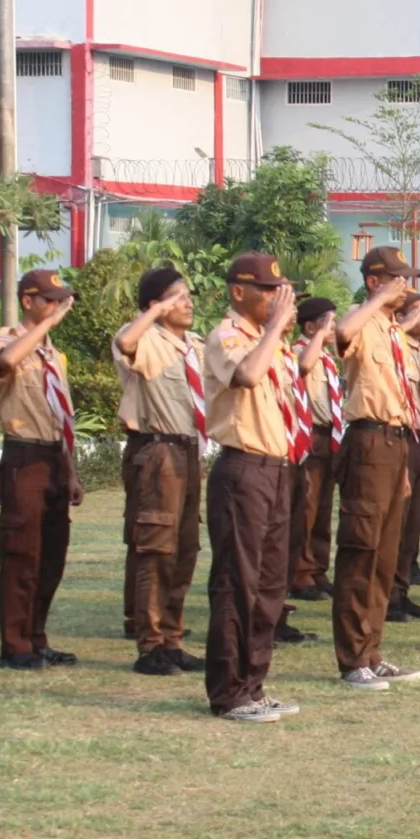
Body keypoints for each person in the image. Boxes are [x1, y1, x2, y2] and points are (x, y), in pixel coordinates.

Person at [199, 253, 307, 722]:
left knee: (269, 585)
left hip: (275, 468)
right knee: (236, 582)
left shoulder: (273, 344)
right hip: (242, 467)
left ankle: (254, 684)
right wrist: (274, 329)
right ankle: (229, 692)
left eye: (281, 292)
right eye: (267, 291)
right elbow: (245, 376)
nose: (277, 300)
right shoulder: (228, 336)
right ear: (238, 292)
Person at [330, 245, 420, 692]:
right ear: (373, 281)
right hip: (367, 439)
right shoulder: (362, 319)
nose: (406, 286)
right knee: (361, 551)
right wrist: (373, 301)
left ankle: (372, 650)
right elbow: (340, 337)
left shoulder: (391, 330)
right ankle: (352, 658)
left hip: (395, 441)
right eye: (397, 279)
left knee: (385, 555)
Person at [0, 268, 82, 671]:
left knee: (51, 556)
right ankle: (15, 645)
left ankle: (36, 637)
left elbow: (62, 416)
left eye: (61, 301)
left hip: (54, 458)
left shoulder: (53, 356)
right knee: (21, 554)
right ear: (28, 301)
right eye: (49, 300)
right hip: (23, 456)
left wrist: (71, 471)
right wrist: (47, 325)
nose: (56, 307)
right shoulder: (6, 340)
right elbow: (7, 362)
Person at [111, 266, 204, 677]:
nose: (188, 303)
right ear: (155, 304)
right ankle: (149, 645)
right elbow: (125, 341)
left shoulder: (194, 346)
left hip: (188, 452)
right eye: (177, 297)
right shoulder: (146, 338)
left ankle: (172, 639)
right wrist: (154, 311)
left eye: (187, 296)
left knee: (184, 551)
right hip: (157, 451)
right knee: (156, 550)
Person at [385, 294, 420, 624]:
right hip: (398, 439)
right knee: (396, 523)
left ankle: (402, 592)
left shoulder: (418, 353)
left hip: (419, 441)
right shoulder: (394, 347)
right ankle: (388, 596)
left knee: (414, 523)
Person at [289, 297, 342, 602]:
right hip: (309, 436)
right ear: (310, 326)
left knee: (322, 508)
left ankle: (318, 569)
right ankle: (300, 572)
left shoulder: (326, 357)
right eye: (328, 322)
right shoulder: (301, 351)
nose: (333, 328)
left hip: (328, 436)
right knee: (306, 509)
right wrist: (320, 336)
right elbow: (302, 368)